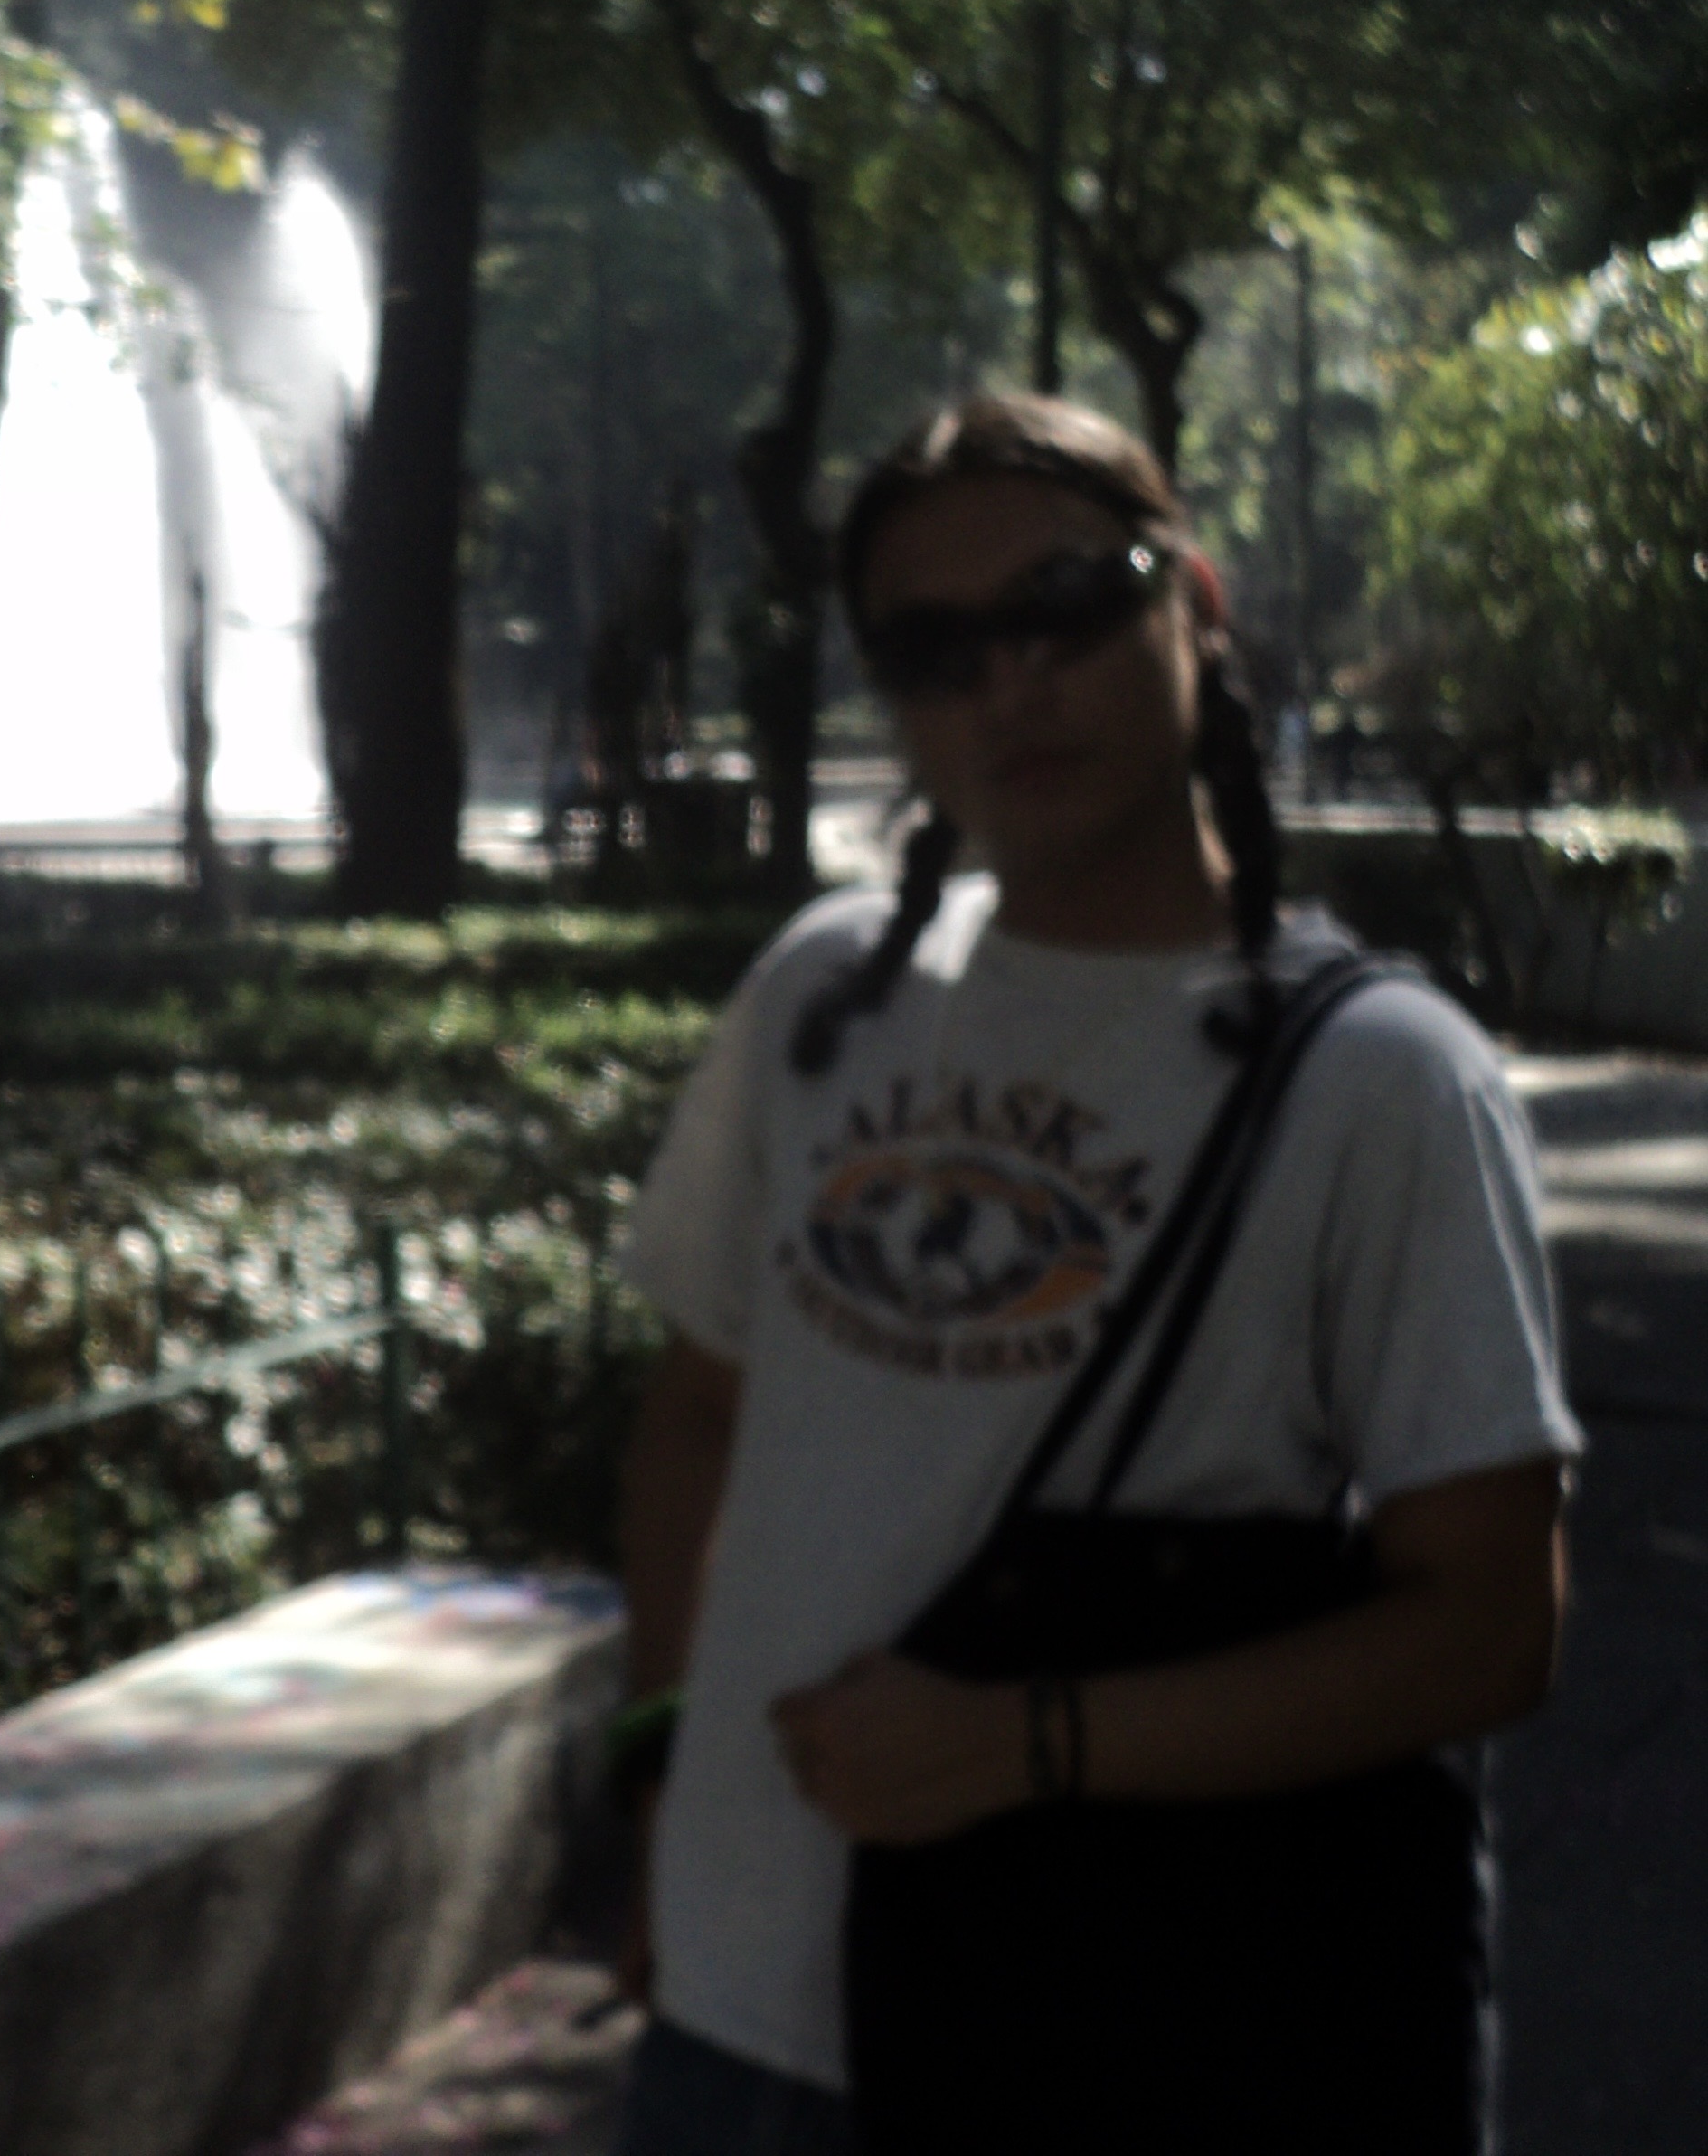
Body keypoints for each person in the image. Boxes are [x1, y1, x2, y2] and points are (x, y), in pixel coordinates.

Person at [611, 394, 1576, 2154]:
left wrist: (1025, 1744)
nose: (1009, 680)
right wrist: (659, 1762)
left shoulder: (1383, 1082)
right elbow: (698, 1415)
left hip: (1113, 2031)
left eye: (1062, 603)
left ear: (1195, 602)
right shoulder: (822, 995)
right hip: (733, 2017)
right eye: (933, 648)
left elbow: (1491, 1627)